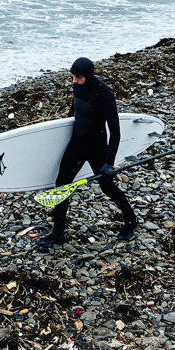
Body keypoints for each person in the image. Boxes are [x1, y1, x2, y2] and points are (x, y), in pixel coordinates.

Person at [38, 57, 137, 249]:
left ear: (88, 75)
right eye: (73, 77)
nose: (74, 81)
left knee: (107, 187)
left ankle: (131, 219)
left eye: (78, 77)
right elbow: (75, 110)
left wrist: (109, 163)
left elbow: (115, 132)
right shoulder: (77, 86)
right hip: (77, 144)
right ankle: (58, 233)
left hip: (96, 147)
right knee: (62, 184)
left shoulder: (105, 94)